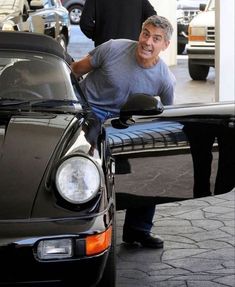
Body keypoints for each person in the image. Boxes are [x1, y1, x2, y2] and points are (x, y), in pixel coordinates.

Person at [71, 14, 175, 248]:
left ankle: (138, 230)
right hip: (89, 113)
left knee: (148, 167)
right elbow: (74, 72)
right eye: (145, 34)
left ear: (165, 45)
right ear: (140, 33)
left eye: (156, 38)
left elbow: (167, 116)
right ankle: (77, 225)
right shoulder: (112, 48)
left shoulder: (165, 79)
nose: (148, 42)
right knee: (83, 163)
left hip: (123, 123)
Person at [183, 123, 235, 198]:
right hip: (225, 120)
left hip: (198, 121)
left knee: (200, 164)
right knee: (228, 164)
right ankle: (222, 196)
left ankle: (202, 196)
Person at [79, 0, 157, 47]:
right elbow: (153, 17)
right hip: (131, 48)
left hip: (105, 48)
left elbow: (85, 23)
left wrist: (98, 36)